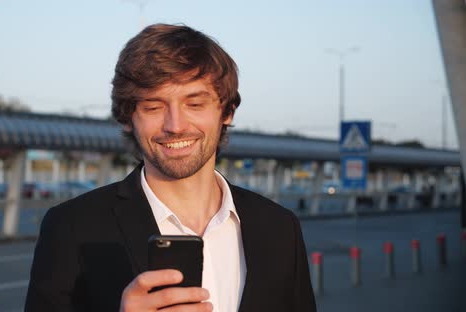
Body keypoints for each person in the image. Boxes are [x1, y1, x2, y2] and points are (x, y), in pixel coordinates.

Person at [25, 23, 316, 312]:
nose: (175, 126)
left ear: (226, 112)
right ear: (127, 117)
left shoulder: (280, 228)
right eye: (153, 107)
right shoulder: (71, 228)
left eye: (195, 104)